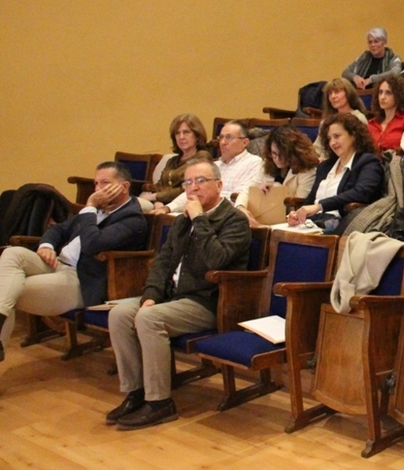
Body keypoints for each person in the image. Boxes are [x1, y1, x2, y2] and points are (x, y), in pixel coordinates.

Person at [106, 159, 250, 429]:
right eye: (188, 182)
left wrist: (199, 218)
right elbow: (163, 261)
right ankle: (135, 392)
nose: (193, 188)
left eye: (200, 181)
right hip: (173, 296)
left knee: (149, 320)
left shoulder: (234, 220)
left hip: (207, 302)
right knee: (120, 315)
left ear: (219, 185)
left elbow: (215, 260)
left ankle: (160, 402)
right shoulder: (183, 221)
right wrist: (150, 295)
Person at [0, 162, 147, 362]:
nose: (98, 189)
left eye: (105, 183)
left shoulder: (132, 220)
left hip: (80, 279)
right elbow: (58, 229)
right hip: (56, 264)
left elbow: (91, 245)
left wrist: (90, 207)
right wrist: (47, 246)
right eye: (96, 184)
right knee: (12, 253)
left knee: (8, 291)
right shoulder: (96, 210)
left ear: (124, 187)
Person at [288, 113, 384, 235]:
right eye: (329, 139)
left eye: (337, 136)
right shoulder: (325, 166)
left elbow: (362, 192)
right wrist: (297, 215)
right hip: (312, 223)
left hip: (340, 225)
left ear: (353, 135)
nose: (332, 143)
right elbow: (311, 199)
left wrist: (320, 206)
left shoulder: (368, 162)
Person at [156, 121, 263, 216]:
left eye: (229, 137)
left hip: (228, 217)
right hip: (201, 211)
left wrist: (204, 197)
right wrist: (168, 208)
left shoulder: (254, 163)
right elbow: (191, 191)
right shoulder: (214, 165)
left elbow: (240, 196)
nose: (223, 142)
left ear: (244, 142)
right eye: (221, 137)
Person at [237, 125, 320, 225]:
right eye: (274, 153)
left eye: (282, 154)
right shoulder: (267, 164)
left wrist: (274, 190)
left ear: (294, 152)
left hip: (291, 222)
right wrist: (240, 208)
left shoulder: (307, 169)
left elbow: (299, 206)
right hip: (263, 219)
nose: (277, 159)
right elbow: (248, 189)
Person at [140, 114, 213, 208]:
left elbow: (187, 189)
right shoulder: (171, 160)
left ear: (197, 136)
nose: (181, 137)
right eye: (177, 133)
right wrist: (158, 202)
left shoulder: (202, 158)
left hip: (182, 206)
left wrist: (155, 197)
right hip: (160, 203)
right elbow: (158, 185)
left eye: (186, 132)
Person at [314, 77, 370, 160]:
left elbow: (362, 148)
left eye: (337, 92)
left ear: (348, 93)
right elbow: (317, 148)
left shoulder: (359, 118)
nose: (333, 96)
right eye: (330, 93)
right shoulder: (325, 122)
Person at [367, 74, 404, 153]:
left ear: (399, 96)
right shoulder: (372, 123)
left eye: (388, 93)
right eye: (380, 92)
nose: (382, 97)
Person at [342, 26, 403, 91]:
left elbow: (395, 73)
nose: (373, 45)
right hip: (361, 93)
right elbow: (345, 72)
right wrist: (355, 77)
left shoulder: (393, 58)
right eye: (370, 42)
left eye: (376, 41)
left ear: (384, 43)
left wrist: (371, 79)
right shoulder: (364, 57)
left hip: (380, 94)